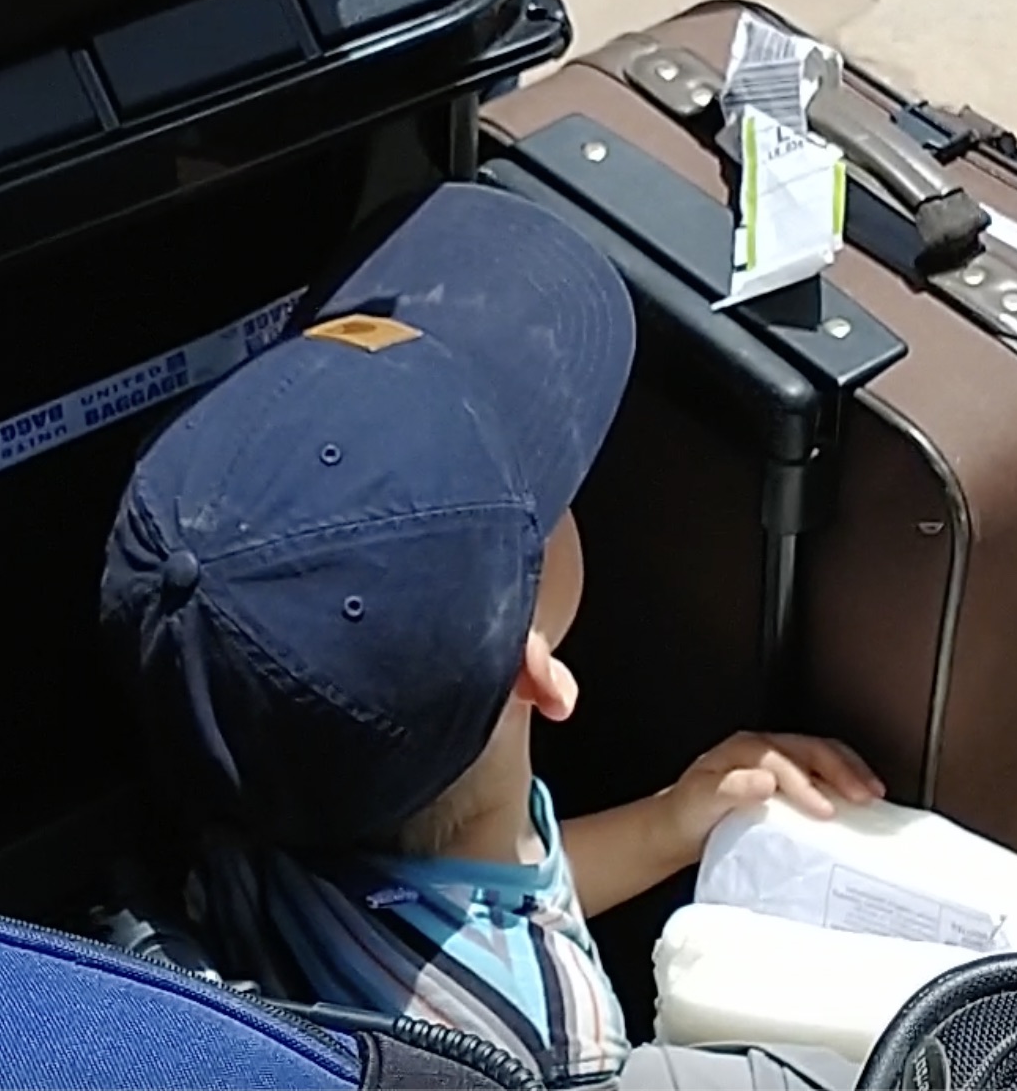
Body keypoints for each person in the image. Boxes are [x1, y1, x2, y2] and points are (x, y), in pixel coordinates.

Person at [99, 183, 877, 1088]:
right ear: (537, 679)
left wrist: (670, 823)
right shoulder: (559, 1039)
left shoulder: (263, 762)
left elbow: (475, 910)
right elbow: (507, 945)